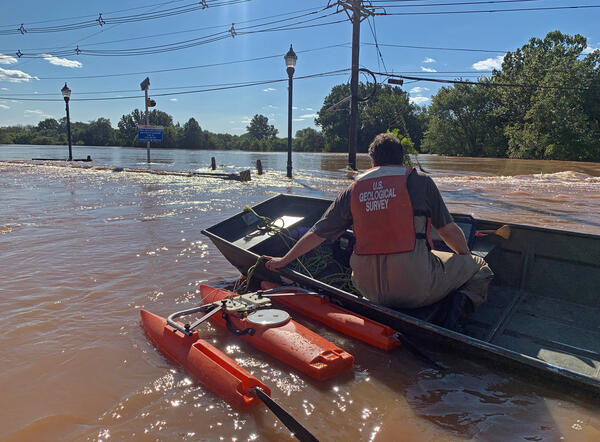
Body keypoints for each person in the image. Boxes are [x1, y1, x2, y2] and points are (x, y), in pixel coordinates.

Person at [265, 133, 493, 319]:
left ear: (372, 162)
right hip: (414, 289)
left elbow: (318, 232)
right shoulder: (421, 182)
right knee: (480, 267)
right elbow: (449, 232)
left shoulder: (353, 189)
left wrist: (284, 261)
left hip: (367, 288)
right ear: (402, 159)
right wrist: (465, 258)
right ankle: (453, 317)